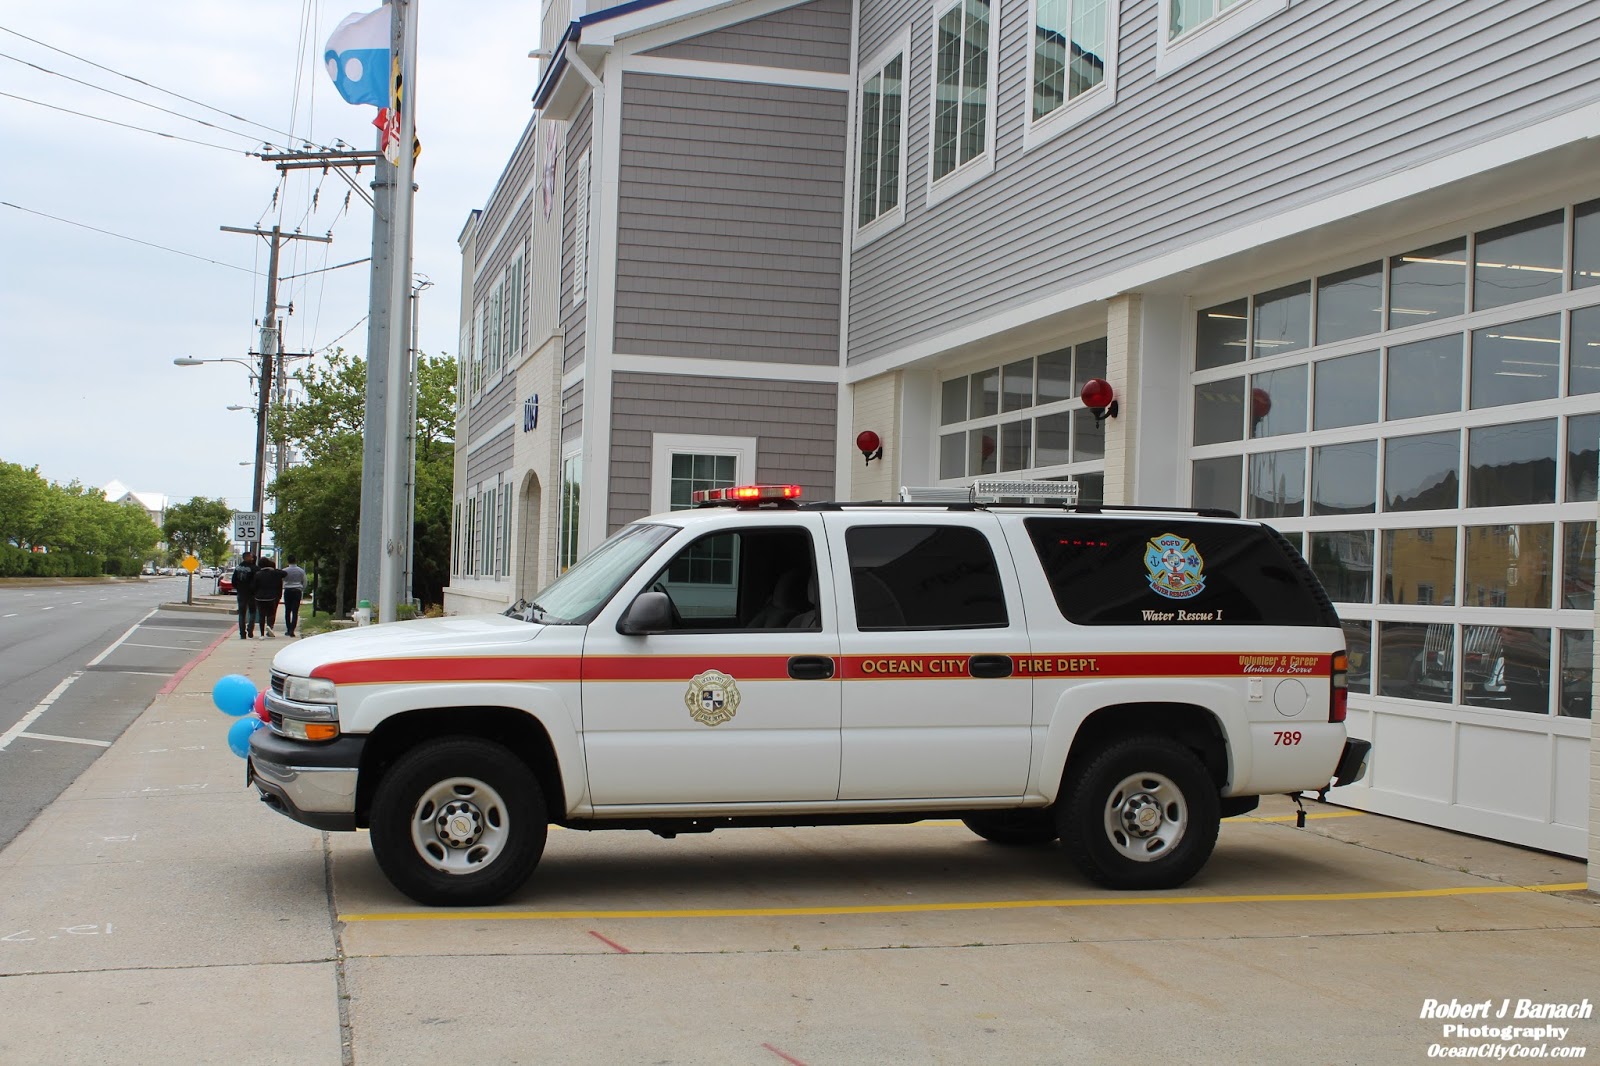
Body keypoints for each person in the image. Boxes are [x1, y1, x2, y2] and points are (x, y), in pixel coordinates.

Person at [253, 556, 286, 638]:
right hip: (271, 596)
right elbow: (284, 573)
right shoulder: (274, 573)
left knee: (261, 615)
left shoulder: (257, 574)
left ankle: (261, 634)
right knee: (271, 613)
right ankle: (270, 626)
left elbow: (253, 586)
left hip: (259, 597)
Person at [231, 553, 258, 640]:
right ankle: (250, 629)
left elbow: (233, 581)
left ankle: (242, 633)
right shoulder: (254, 568)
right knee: (252, 612)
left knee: (242, 613)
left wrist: (239, 588)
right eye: (251, 556)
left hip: (241, 593)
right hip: (251, 594)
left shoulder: (238, 568)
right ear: (247, 557)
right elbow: (257, 581)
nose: (252, 558)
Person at [281, 555, 307, 637]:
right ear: (296, 561)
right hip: (297, 590)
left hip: (288, 590)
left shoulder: (284, 571)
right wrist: (302, 589)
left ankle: (288, 629)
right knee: (295, 611)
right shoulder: (301, 571)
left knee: (287, 610)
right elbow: (305, 581)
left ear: (288, 561)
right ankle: (292, 629)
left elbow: (281, 580)